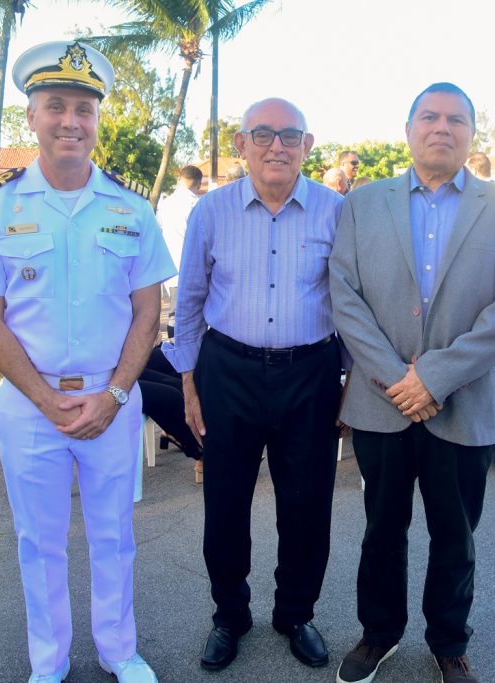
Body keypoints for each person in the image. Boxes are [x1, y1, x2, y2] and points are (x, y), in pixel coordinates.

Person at [0, 41, 174, 683]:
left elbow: (145, 313)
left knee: (114, 538)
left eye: (83, 108)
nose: (70, 120)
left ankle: (118, 651)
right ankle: (47, 663)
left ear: (99, 121)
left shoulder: (131, 210)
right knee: (39, 542)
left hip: (111, 400)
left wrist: (117, 394)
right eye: (55, 107)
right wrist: (47, 400)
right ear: (32, 118)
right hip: (29, 403)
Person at [329, 82, 495, 683]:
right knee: (381, 528)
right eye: (429, 117)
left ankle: (449, 640)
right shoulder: (362, 204)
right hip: (381, 401)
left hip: (462, 404)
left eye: (456, 119)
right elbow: (344, 296)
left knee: (455, 535)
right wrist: (399, 378)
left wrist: (436, 377)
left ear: (473, 133)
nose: (441, 128)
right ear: (409, 129)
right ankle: (379, 633)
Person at [162, 97, 344, 672]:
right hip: (228, 373)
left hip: (310, 373)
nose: (276, 146)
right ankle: (229, 615)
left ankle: (296, 614)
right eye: (262, 134)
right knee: (225, 503)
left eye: (290, 136)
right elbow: (189, 301)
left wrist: (352, 381)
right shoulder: (210, 213)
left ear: (308, 147)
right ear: (240, 144)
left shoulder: (336, 211)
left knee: (308, 505)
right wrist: (189, 381)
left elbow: (352, 302)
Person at [156, 164, 202, 299]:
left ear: (180, 180)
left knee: (173, 315)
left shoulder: (165, 204)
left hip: (169, 271)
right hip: (191, 273)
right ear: (199, 185)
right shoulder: (197, 205)